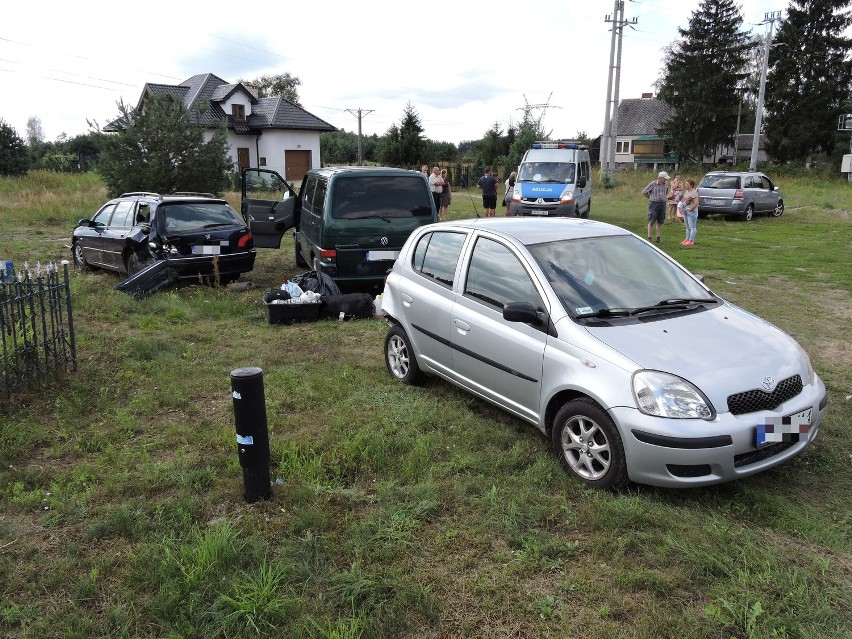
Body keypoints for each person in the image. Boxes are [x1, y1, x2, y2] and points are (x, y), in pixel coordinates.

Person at [642, 171, 670, 243]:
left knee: (660, 221)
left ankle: (658, 237)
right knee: (652, 220)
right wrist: (650, 197)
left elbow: (666, 192)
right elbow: (644, 191)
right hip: (654, 204)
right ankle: (649, 238)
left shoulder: (666, 184)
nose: (666, 180)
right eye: (664, 178)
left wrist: (665, 198)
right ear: (660, 178)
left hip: (662, 204)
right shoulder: (653, 184)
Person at [680, 179, 699, 246]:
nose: (686, 185)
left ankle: (691, 241)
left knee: (692, 227)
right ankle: (687, 239)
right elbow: (685, 201)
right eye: (686, 184)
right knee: (687, 227)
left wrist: (691, 209)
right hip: (686, 211)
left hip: (692, 212)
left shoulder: (694, 192)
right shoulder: (686, 192)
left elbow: (696, 202)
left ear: (691, 185)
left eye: (687, 184)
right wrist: (682, 207)